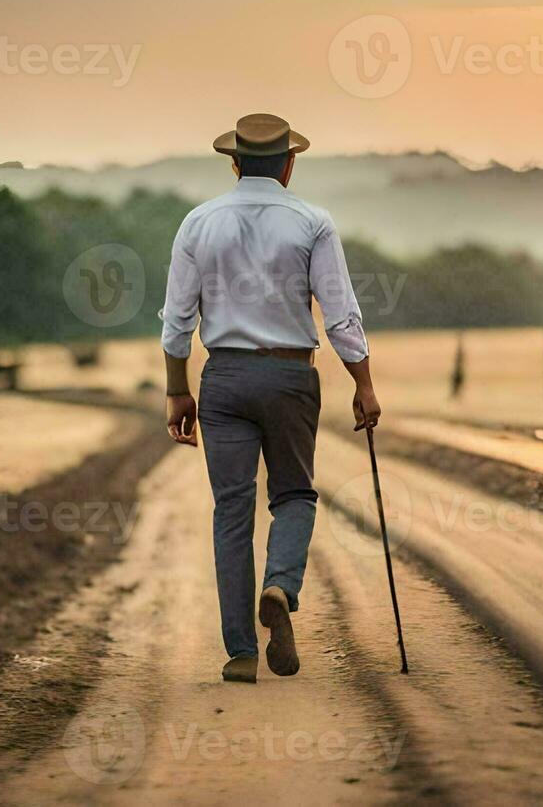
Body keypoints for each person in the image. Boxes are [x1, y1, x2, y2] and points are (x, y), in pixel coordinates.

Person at [159, 113, 381, 684]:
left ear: (234, 163)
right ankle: (280, 584)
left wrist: (177, 391)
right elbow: (341, 314)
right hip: (289, 378)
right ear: (288, 164)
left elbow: (177, 322)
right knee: (295, 494)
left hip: (223, 381)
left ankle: (240, 653)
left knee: (231, 513)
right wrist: (363, 384)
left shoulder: (197, 222)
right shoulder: (312, 222)